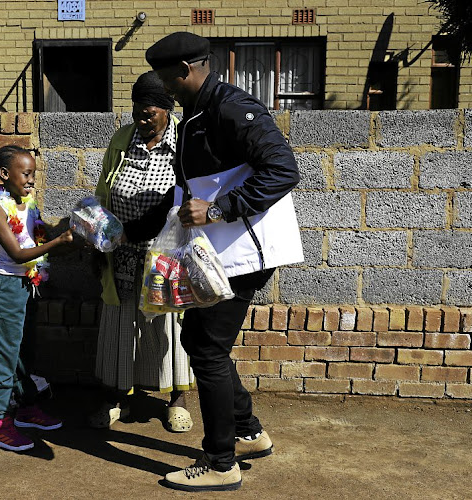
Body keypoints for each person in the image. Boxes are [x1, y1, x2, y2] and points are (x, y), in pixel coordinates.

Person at [145, 32, 304, 491]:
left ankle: (220, 463)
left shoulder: (230, 107)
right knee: (201, 340)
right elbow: (200, 184)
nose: (162, 87)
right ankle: (248, 432)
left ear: (184, 71)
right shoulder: (195, 112)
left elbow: (283, 169)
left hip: (245, 252)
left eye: (163, 77)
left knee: (208, 348)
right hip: (220, 253)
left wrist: (218, 210)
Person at [89, 71, 195, 433]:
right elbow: (105, 190)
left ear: (167, 110)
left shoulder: (185, 141)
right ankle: (116, 396)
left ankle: (178, 398)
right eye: (137, 112)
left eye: (148, 113)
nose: (141, 119)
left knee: (167, 325)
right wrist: (97, 239)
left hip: (167, 252)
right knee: (121, 324)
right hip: (122, 252)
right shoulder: (123, 139)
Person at [0, 145, 74, 452]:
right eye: (25, 173)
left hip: (28, 287)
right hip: (7, 287)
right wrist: (59, 242)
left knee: (25, 351)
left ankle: (24, 408)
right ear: (5, 175)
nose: (31, 179)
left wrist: (70, 236)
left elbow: (36, 238)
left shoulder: (28, 203)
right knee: (3, 354)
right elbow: (19, 253)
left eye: (33, 173)